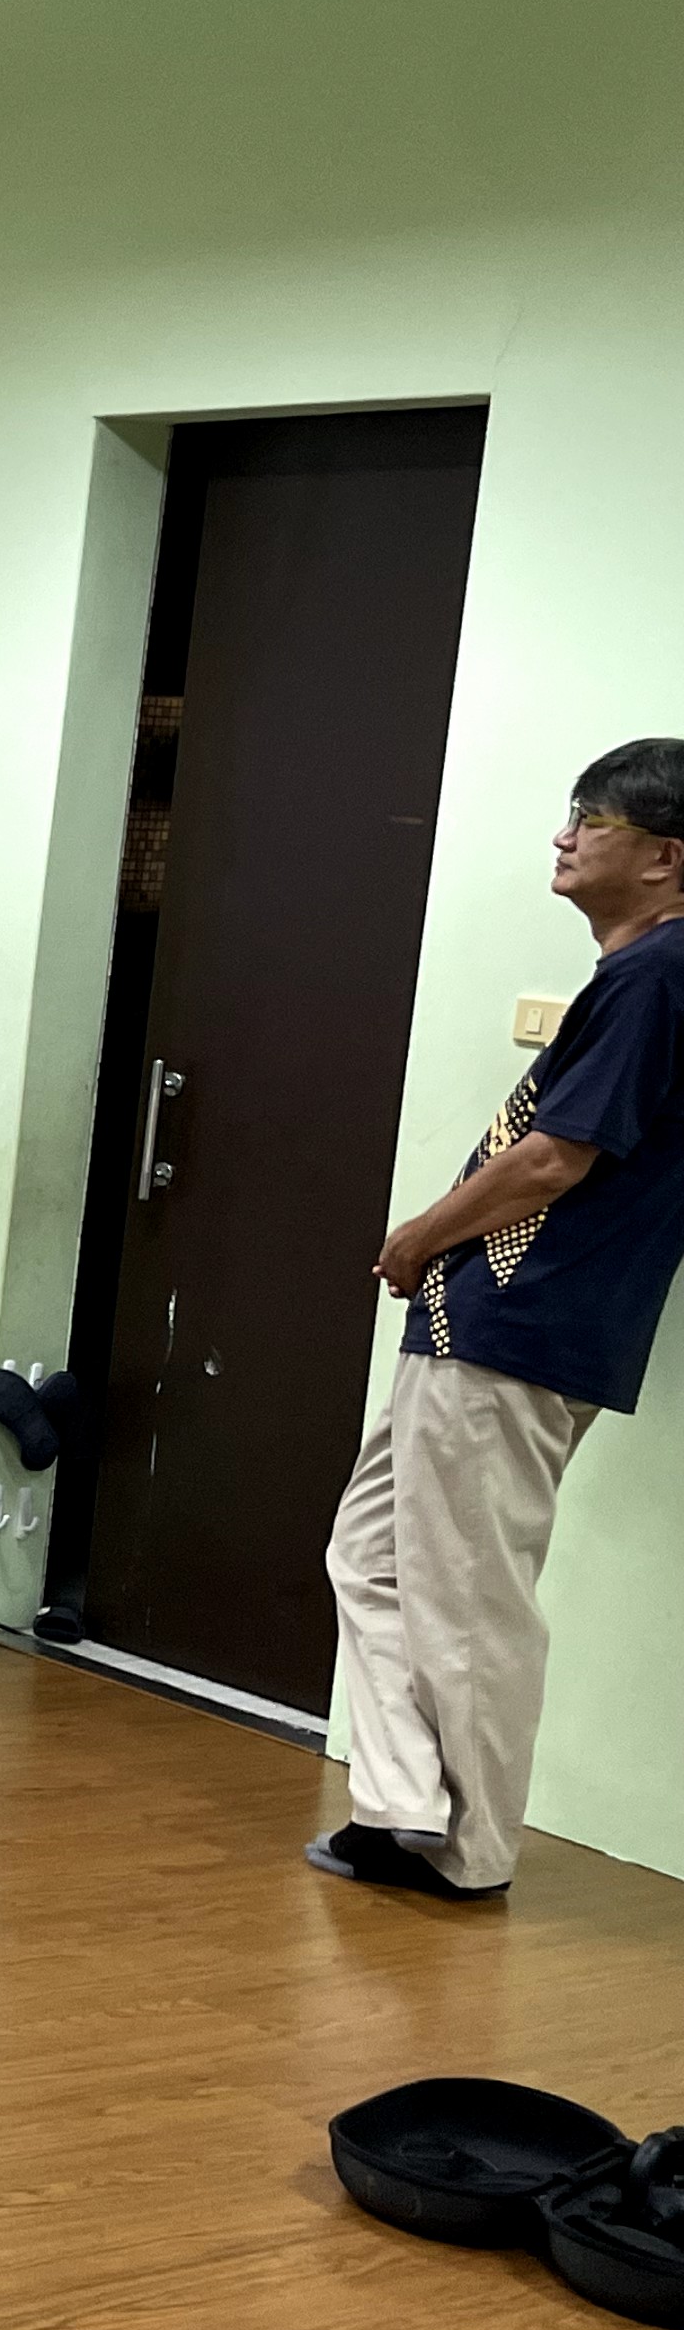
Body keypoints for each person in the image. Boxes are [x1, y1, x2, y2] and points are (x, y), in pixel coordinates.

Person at [318, 738, 684, 1901]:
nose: (565, 836)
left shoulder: (658, 976)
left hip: (519, 1325)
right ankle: (403, 1806)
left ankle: (466, 1852)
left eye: (594, 819)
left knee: (471, 1596)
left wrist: (419, 1235)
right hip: (480, 1325)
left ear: (666, 858)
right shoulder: (640, 974)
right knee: (371, 1557)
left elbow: (555, 1158)